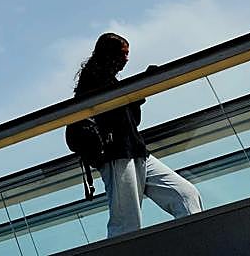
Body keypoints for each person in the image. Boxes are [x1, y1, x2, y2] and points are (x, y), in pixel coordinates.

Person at [74, 32, 203, 238]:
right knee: (127, 223)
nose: (127, 59)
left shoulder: (110, 81)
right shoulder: (92, 81)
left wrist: (140, 89)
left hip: (138, 151)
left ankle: (199, 242)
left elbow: (129, 118)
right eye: (123, 54)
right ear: (110, 54)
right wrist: (140, 86)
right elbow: (112, 115)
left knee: (185, 195)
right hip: (116, 155)